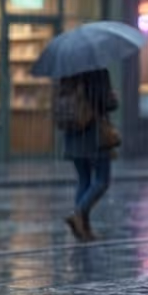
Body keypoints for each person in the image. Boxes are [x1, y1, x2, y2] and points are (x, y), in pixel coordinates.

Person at [55, 68, 118, 242]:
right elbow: (105, 103)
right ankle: (78, 214)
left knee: (84, 179)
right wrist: (113, 99)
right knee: (102, 179)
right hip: (93, 133)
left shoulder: (67, 74)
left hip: (73, 132)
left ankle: (83, 229)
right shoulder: (98, 71)